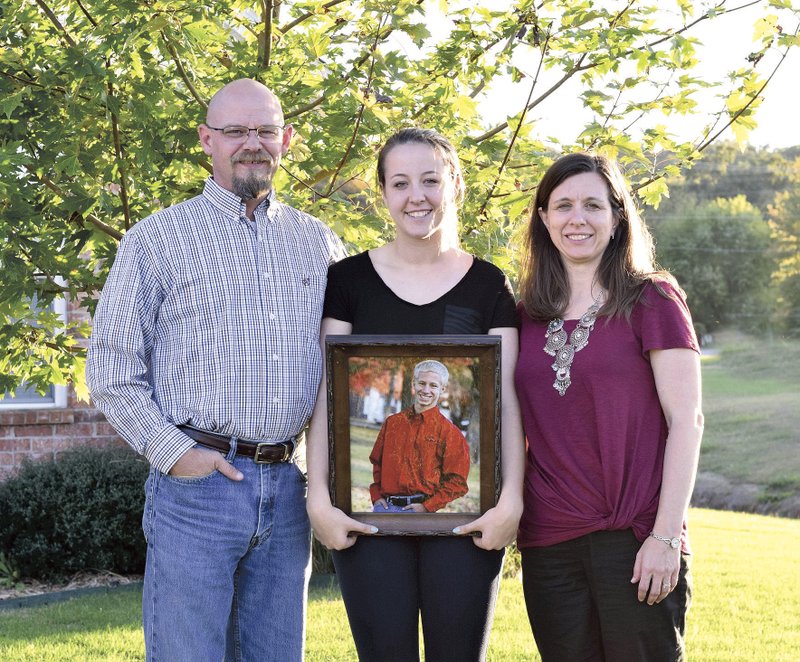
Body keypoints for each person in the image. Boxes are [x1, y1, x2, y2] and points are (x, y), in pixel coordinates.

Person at [86, 78, 345, 662]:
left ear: (287, 140)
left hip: (288, 489)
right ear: (207, 139)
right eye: (235, 131)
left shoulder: (320, 245)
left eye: (265, 130)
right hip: (196, 491)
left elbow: (346, 368)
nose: (252, 143)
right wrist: (177, 456)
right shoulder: (156, 240)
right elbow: (110, 367)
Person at [305, 127, 526, 662]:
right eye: (400, 183)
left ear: (454, 184)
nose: (416, 196)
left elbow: (508, 405)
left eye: (430, 180)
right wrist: (318, 501)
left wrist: (511, 503)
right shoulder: (348, 280)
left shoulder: (490, 286)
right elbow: (325, 398)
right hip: (368, 521)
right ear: (382, 192)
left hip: (468, 522)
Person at [514, 152, 704, 661]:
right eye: (563, 206)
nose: (577, 219)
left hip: (637, 536)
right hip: (549, 540)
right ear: (544, 217)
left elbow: (687, 422)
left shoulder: (652, 300)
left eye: (593, 206)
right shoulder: (525, 314)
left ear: (618, 217)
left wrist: (666, 536)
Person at [369, 360, 470, 513]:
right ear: (413, 384)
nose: (426, 390)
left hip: (420, 512)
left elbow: (458, 482)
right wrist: (376, 497)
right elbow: (377, 463)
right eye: (422, 383)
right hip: (384, 508)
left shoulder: (450, 433)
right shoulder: (393, 423)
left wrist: (427, 507)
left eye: (433, 385)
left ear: (442, 389)